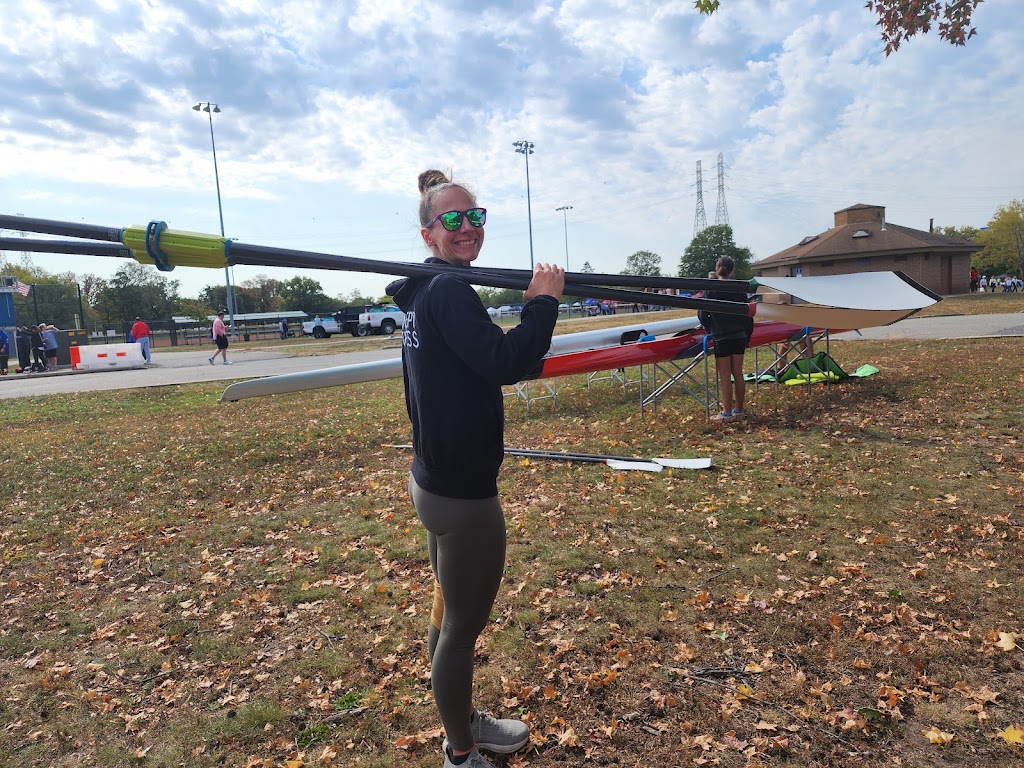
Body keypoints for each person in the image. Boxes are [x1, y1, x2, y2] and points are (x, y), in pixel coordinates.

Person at [389, 169, 564, 768]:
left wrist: (527, 331)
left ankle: (461, 721)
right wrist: (543, 305)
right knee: (461, 631)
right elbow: (503, 361)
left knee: (447, 615)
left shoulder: (424, 290)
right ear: (428, 233)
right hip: (462, 495)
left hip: (433, 480)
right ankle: (461, 755)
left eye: (475, 216)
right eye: (452, 220)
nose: (467, 228)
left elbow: (472, 362)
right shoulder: (446, 289)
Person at [698, 256, 754, 422]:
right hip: (739, 335)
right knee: (738, 373)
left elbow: (702, 314)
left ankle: (727, 413)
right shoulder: (739, 289)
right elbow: (748, 314)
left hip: (721, 336)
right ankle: (739, 411)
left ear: (717, 270)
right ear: (732, 270)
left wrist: (710, 329)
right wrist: (747, 336)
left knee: (724, 375)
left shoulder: (710, 289)